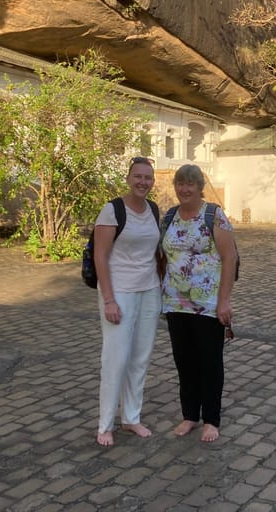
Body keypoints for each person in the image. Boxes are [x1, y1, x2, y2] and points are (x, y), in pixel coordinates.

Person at [161, 164, 236, 443]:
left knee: (209, 362)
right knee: (184, 361)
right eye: (180, 183)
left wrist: (224, 301)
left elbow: (229, 258)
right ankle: (190, 415)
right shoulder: (170, 216)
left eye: (190, 184)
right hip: (175, 303)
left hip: (207, 304)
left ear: (199, 186)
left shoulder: (213, 215)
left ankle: (211, 420)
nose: (184, 189)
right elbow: (163, 257)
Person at [93, 156, 162, 447]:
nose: (143, 182)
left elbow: (156, 253)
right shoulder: (112, 210)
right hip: (119, 291)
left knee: (140, 358)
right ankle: (104, 424)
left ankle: (131, 417)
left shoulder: (154, 210)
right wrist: (109, 300)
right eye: (138, 176)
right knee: (116, 358)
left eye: (148, 177)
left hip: (149, 291)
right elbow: (100, 255)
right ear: (128, 178)